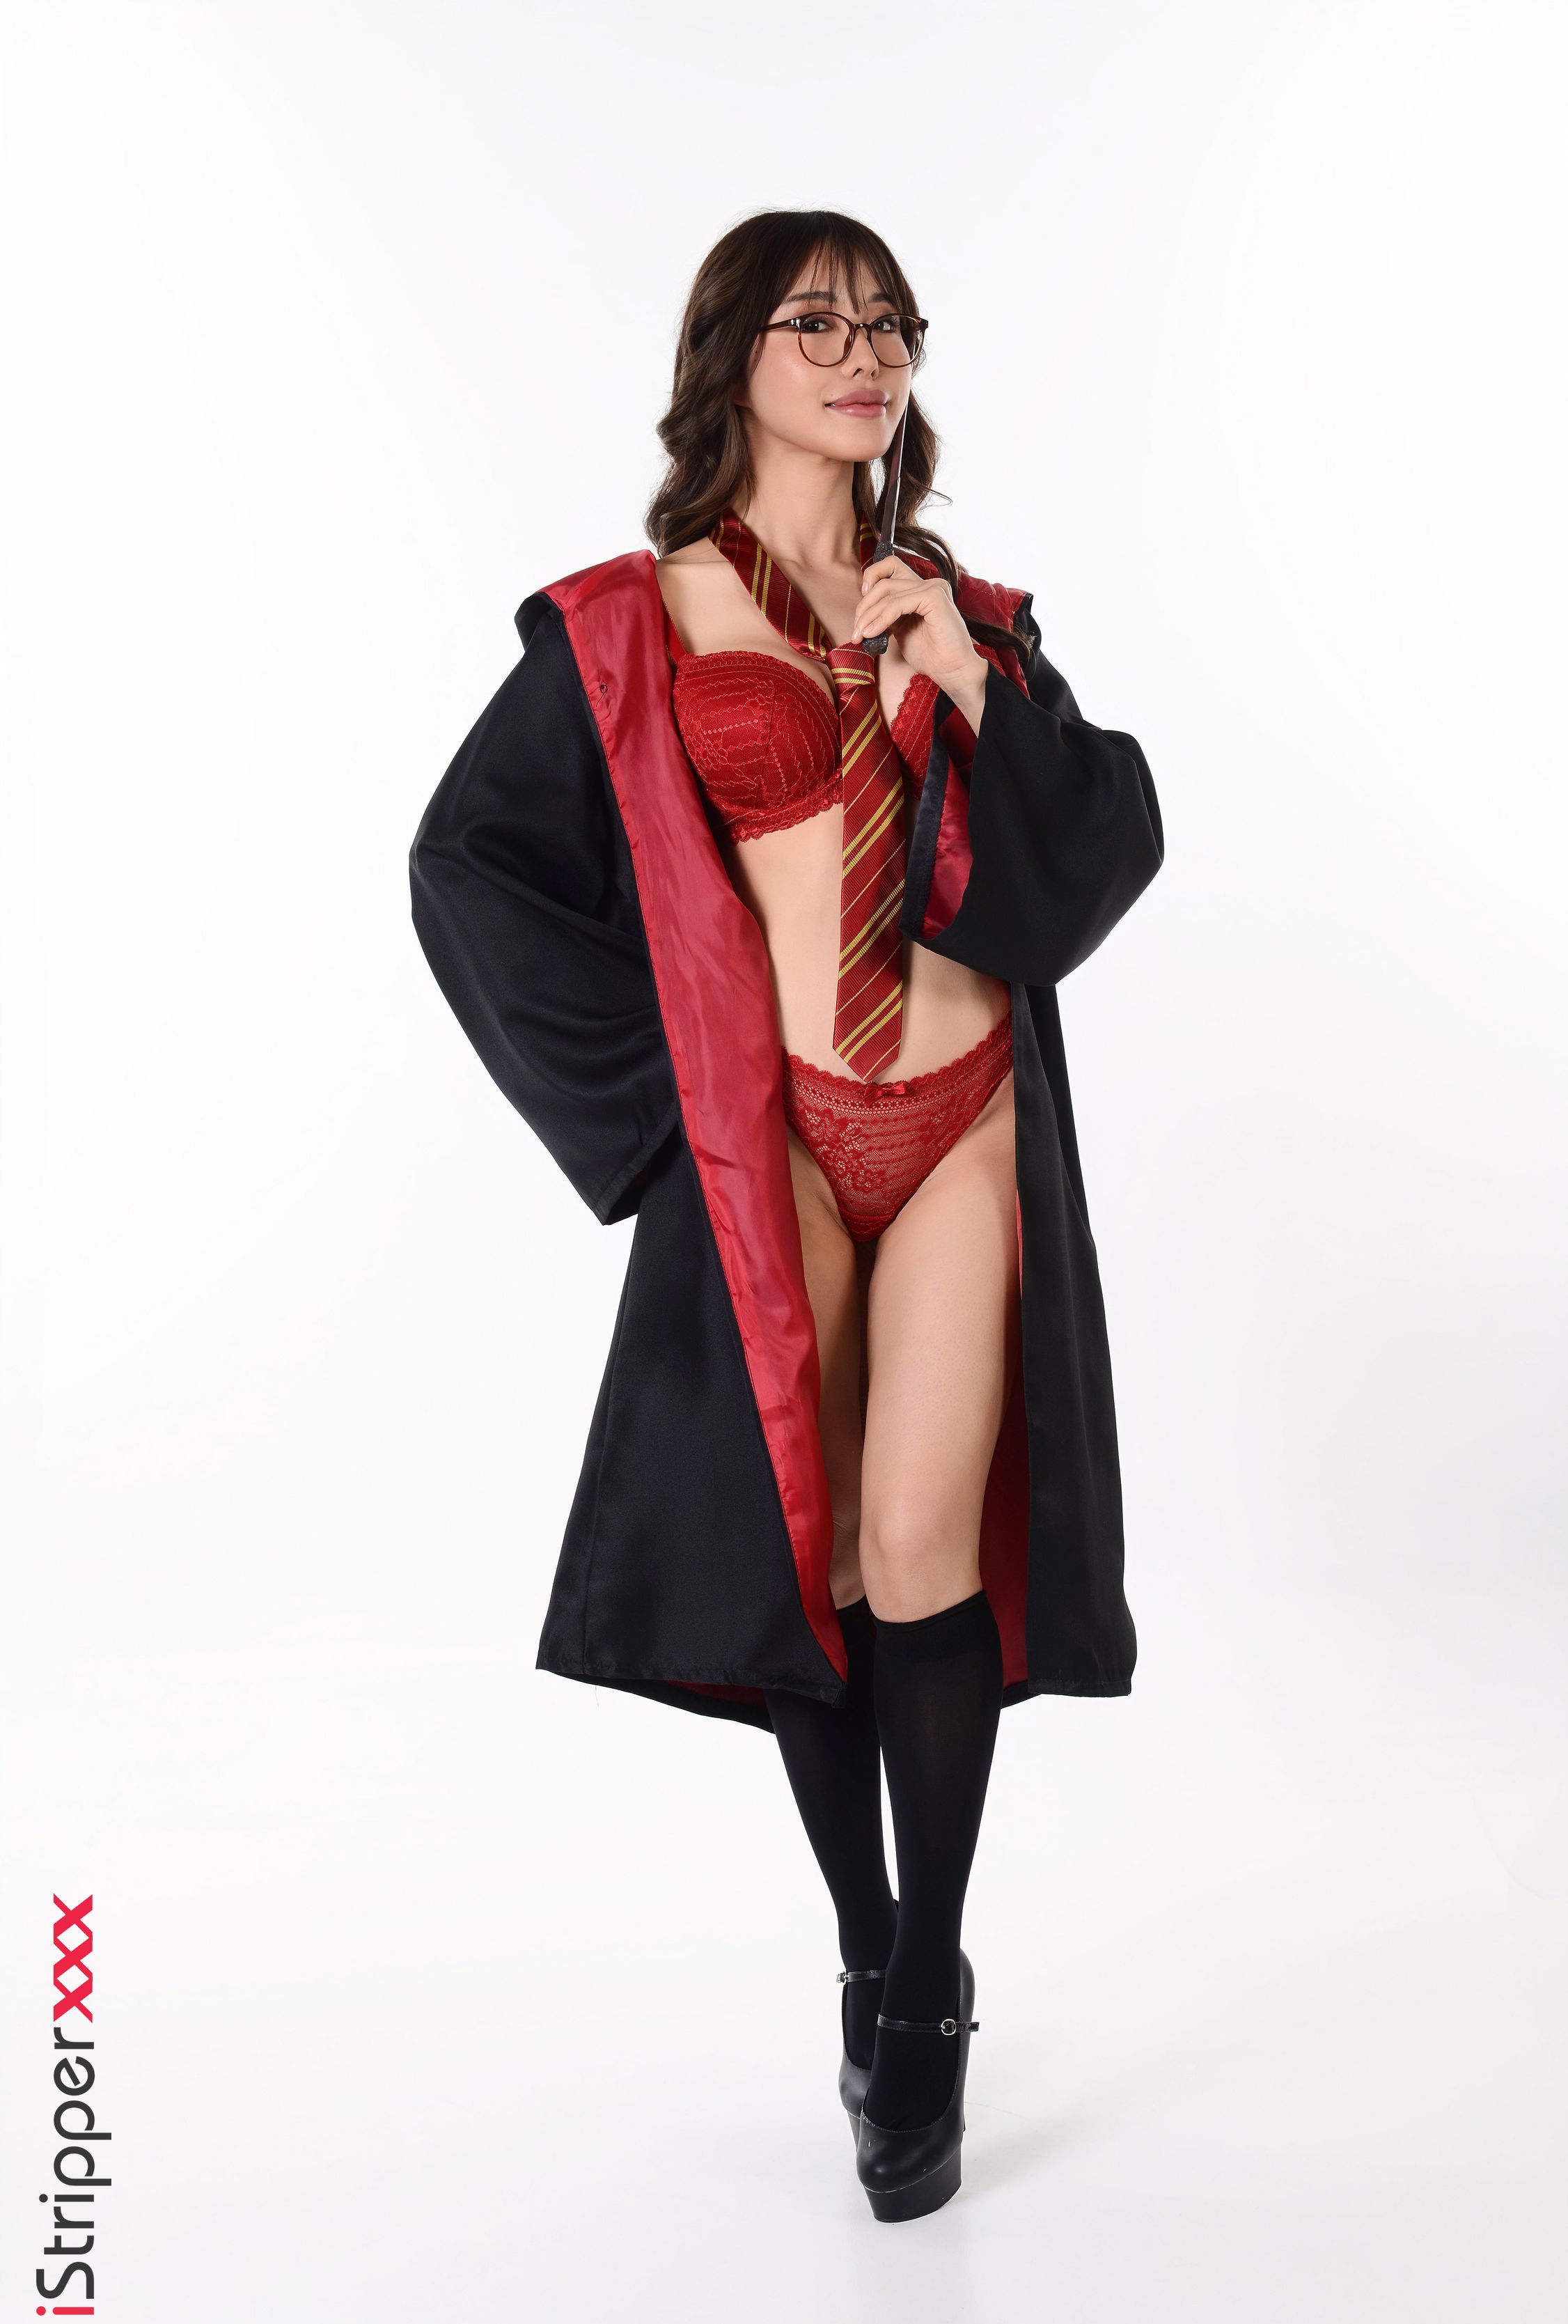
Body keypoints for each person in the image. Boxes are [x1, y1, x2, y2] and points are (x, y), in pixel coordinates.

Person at [409, 208, 1163, 2222]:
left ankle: (926, 1989)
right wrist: (654, 1117)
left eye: (888, 325)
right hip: (788, 1137)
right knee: (816, 1560)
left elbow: (1102, 852)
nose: (863, 355)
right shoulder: (636, 620)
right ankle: (864, 1938)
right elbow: (468, 864)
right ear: (731, 356)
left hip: (963, 1114)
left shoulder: (965, 610)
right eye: (816, 323)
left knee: (925, 1546)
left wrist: (973, 688)